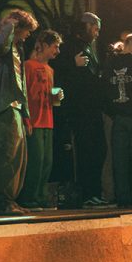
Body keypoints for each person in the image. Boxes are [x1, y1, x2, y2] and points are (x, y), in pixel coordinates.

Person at [52, 12, 106, 207]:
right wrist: (72, 64)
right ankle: (87, 193)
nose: (97, 33)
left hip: (91, 108)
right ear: (87, 27)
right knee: (87, 151)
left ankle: (93, 192)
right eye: (95, 29)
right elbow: (57, 71)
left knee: (97, 149)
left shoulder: (87, 48)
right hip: (80, 109)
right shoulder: (69, 48)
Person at [0, 10, 37, 215]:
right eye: (26, 30)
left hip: (16, 106)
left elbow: (21, 82)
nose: (28, 35)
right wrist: (10, 25)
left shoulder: (18, 49)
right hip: (4, 105)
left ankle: (10, 200)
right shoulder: (3, 46)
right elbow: (1, 44)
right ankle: (1, 202)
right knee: (5, 156)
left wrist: (25, 113)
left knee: (18, 158)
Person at [102, 33, 132, 207]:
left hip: (118, 117)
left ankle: (122, 197)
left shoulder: (110, 64)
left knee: (120, 159)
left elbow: (105, 89)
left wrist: (113, 111)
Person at [19, 29, 61, 210]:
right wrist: (26, 118)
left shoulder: (50, 70)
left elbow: (51, 98)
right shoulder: (28, 66)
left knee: (46, 161)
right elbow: (24, 94)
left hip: (47, 120)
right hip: (34, 120)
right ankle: (29, 197)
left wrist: (56, 97)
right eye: (54, 47)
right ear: (43, 46)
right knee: (35, 161)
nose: (57, 51)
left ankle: (41, 197)